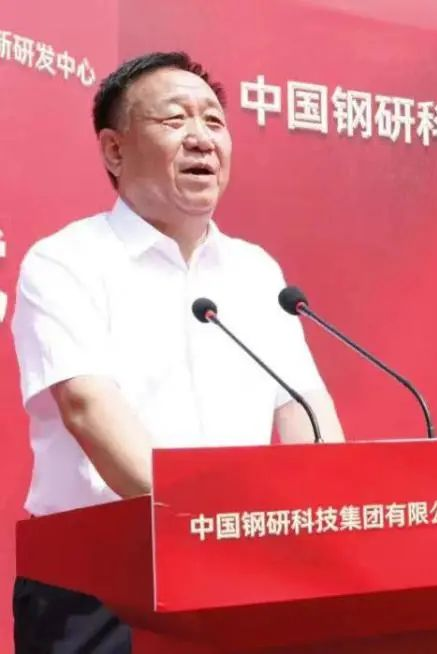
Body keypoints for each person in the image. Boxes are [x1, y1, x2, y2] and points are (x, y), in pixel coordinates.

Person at [10, 51, 343, 653]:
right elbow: (88, 408)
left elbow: (305, 412)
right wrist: (212, 528)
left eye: (214, 121)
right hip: (102, 585)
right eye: (174, 119)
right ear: (114, 150)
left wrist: (327, 521)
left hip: (246, 567)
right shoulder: (67, 261)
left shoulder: (255, 271)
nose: (202, 138)